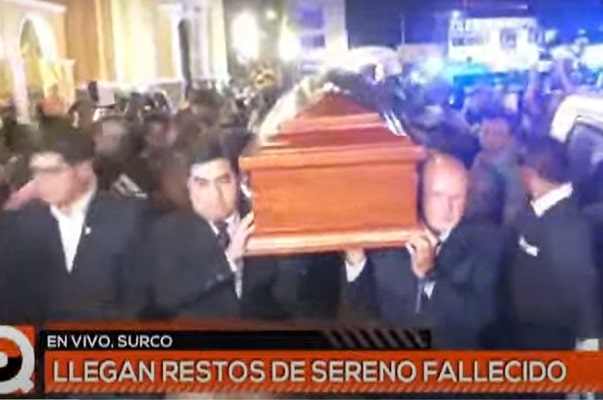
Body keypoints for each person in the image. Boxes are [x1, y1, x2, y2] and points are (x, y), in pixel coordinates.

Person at [143, 134, 339, 320]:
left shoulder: (267, 221)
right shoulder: (167, 233)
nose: (215, 195)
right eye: (202, 184)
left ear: (239, 181)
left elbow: (300, 300)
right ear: (188, 187)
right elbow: (167, 298)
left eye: (223, 181)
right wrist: (227, 260)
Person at [344, 153, 507, 349]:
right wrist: (355, 261)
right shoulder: (387, 240)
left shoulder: (487, 243)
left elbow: (481, 317)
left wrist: (430, 275)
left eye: (456, 197)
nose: (448, 208)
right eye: (438, 195)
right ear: (419, 192)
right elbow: (358, 313)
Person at [3, 130, 149, 323]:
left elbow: (138, 298)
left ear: (84, 170)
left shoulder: (129, 219)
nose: (41, 181)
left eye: (52, 171)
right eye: (36, 171)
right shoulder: (18, 224)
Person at [504, 136, 600, 351]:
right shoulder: (540, 208)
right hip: (527, 331)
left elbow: (582, 287)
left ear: (529, 174)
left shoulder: (565, 225)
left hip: (548, 339)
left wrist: (588, 344)